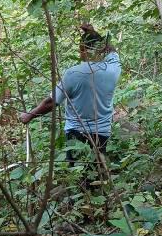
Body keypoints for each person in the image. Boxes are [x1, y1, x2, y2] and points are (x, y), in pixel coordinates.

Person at [20, 24, 121, 169]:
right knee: (97, 170)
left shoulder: (74, 73)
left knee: (77, 173)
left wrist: (29, 115)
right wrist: (94, 34)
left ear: (84, 49)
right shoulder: (113, 68)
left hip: (77, 133)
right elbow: (112, 50)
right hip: (102, 132)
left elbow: (51, 102)